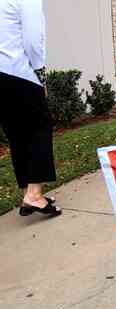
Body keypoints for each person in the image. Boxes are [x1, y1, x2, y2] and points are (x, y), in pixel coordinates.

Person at [0, 0, 61, 217]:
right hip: (19, 72)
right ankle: (34, 194)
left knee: (17, 133)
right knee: (40, 127)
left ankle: (28, 193)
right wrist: (39, 75)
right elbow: (33, 40)